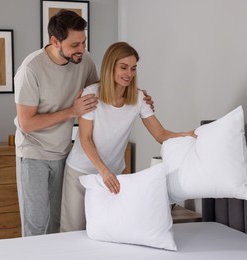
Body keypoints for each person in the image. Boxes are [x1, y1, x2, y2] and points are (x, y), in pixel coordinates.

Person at [14, 10, 154, 237]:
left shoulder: (84, 60)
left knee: (59, 223)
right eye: (75, 44)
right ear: (55, 41)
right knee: (37, 224)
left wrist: (136, 93)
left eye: (84, 42)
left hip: (64, 152)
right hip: (34, 154)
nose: (81, 48)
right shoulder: (31, 70)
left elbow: (101, 91)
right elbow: (26, 123)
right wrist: (71, 111)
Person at [60, 41, 196, 232]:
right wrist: (103, 171)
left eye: (133, 69)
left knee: (108, 231)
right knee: (73, 232)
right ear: (110, 67)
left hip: (113, 175)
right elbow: (85, 139)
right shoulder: (91, 95)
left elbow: (161, 134)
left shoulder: (139, 99)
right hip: (81, 172)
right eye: (123, 67)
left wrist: (190, 135)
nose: (129, 74)